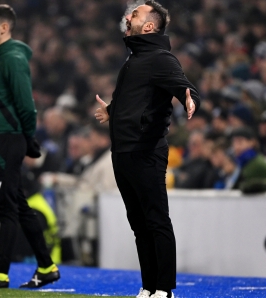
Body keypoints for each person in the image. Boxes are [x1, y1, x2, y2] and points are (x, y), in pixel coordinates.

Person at [94, 1, 199, 297]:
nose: (128, 17)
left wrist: (191, 101)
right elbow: (136, 100)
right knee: (139, 224)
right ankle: (148, 287)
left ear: (149, 26)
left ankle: (164, 289)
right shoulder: (133, 60)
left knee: (156, 220)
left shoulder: (160, 58)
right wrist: (113, 111)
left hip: (146, 150)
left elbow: (186, 88)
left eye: (135, 14)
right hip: (123, 151)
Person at [0, 4, 60, 289]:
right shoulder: (1, 58)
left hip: (7, 138)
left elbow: (26, 105)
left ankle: (0, 274)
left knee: (6, 207)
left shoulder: (12, 58)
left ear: (4, 27)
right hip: (3, 138)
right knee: (17, 205)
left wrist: (26, 137)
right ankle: (46, 266)